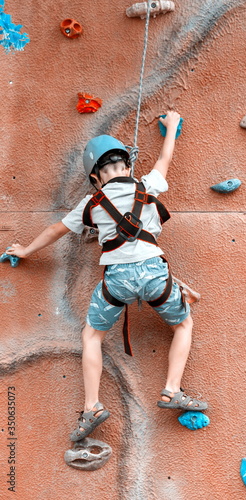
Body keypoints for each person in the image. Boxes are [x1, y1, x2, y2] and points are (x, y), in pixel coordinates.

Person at [6, 110, 208, 441]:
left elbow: (57, 230)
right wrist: (171, 126)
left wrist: (26, 250)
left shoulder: (91, 203)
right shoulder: (148, 184)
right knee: (183, 325)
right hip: (155, 273)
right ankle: (172, 389)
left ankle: (92, 407)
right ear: (127, 166)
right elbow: (164, 157)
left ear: (95, 178)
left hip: (116, 281)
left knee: (91, 337)